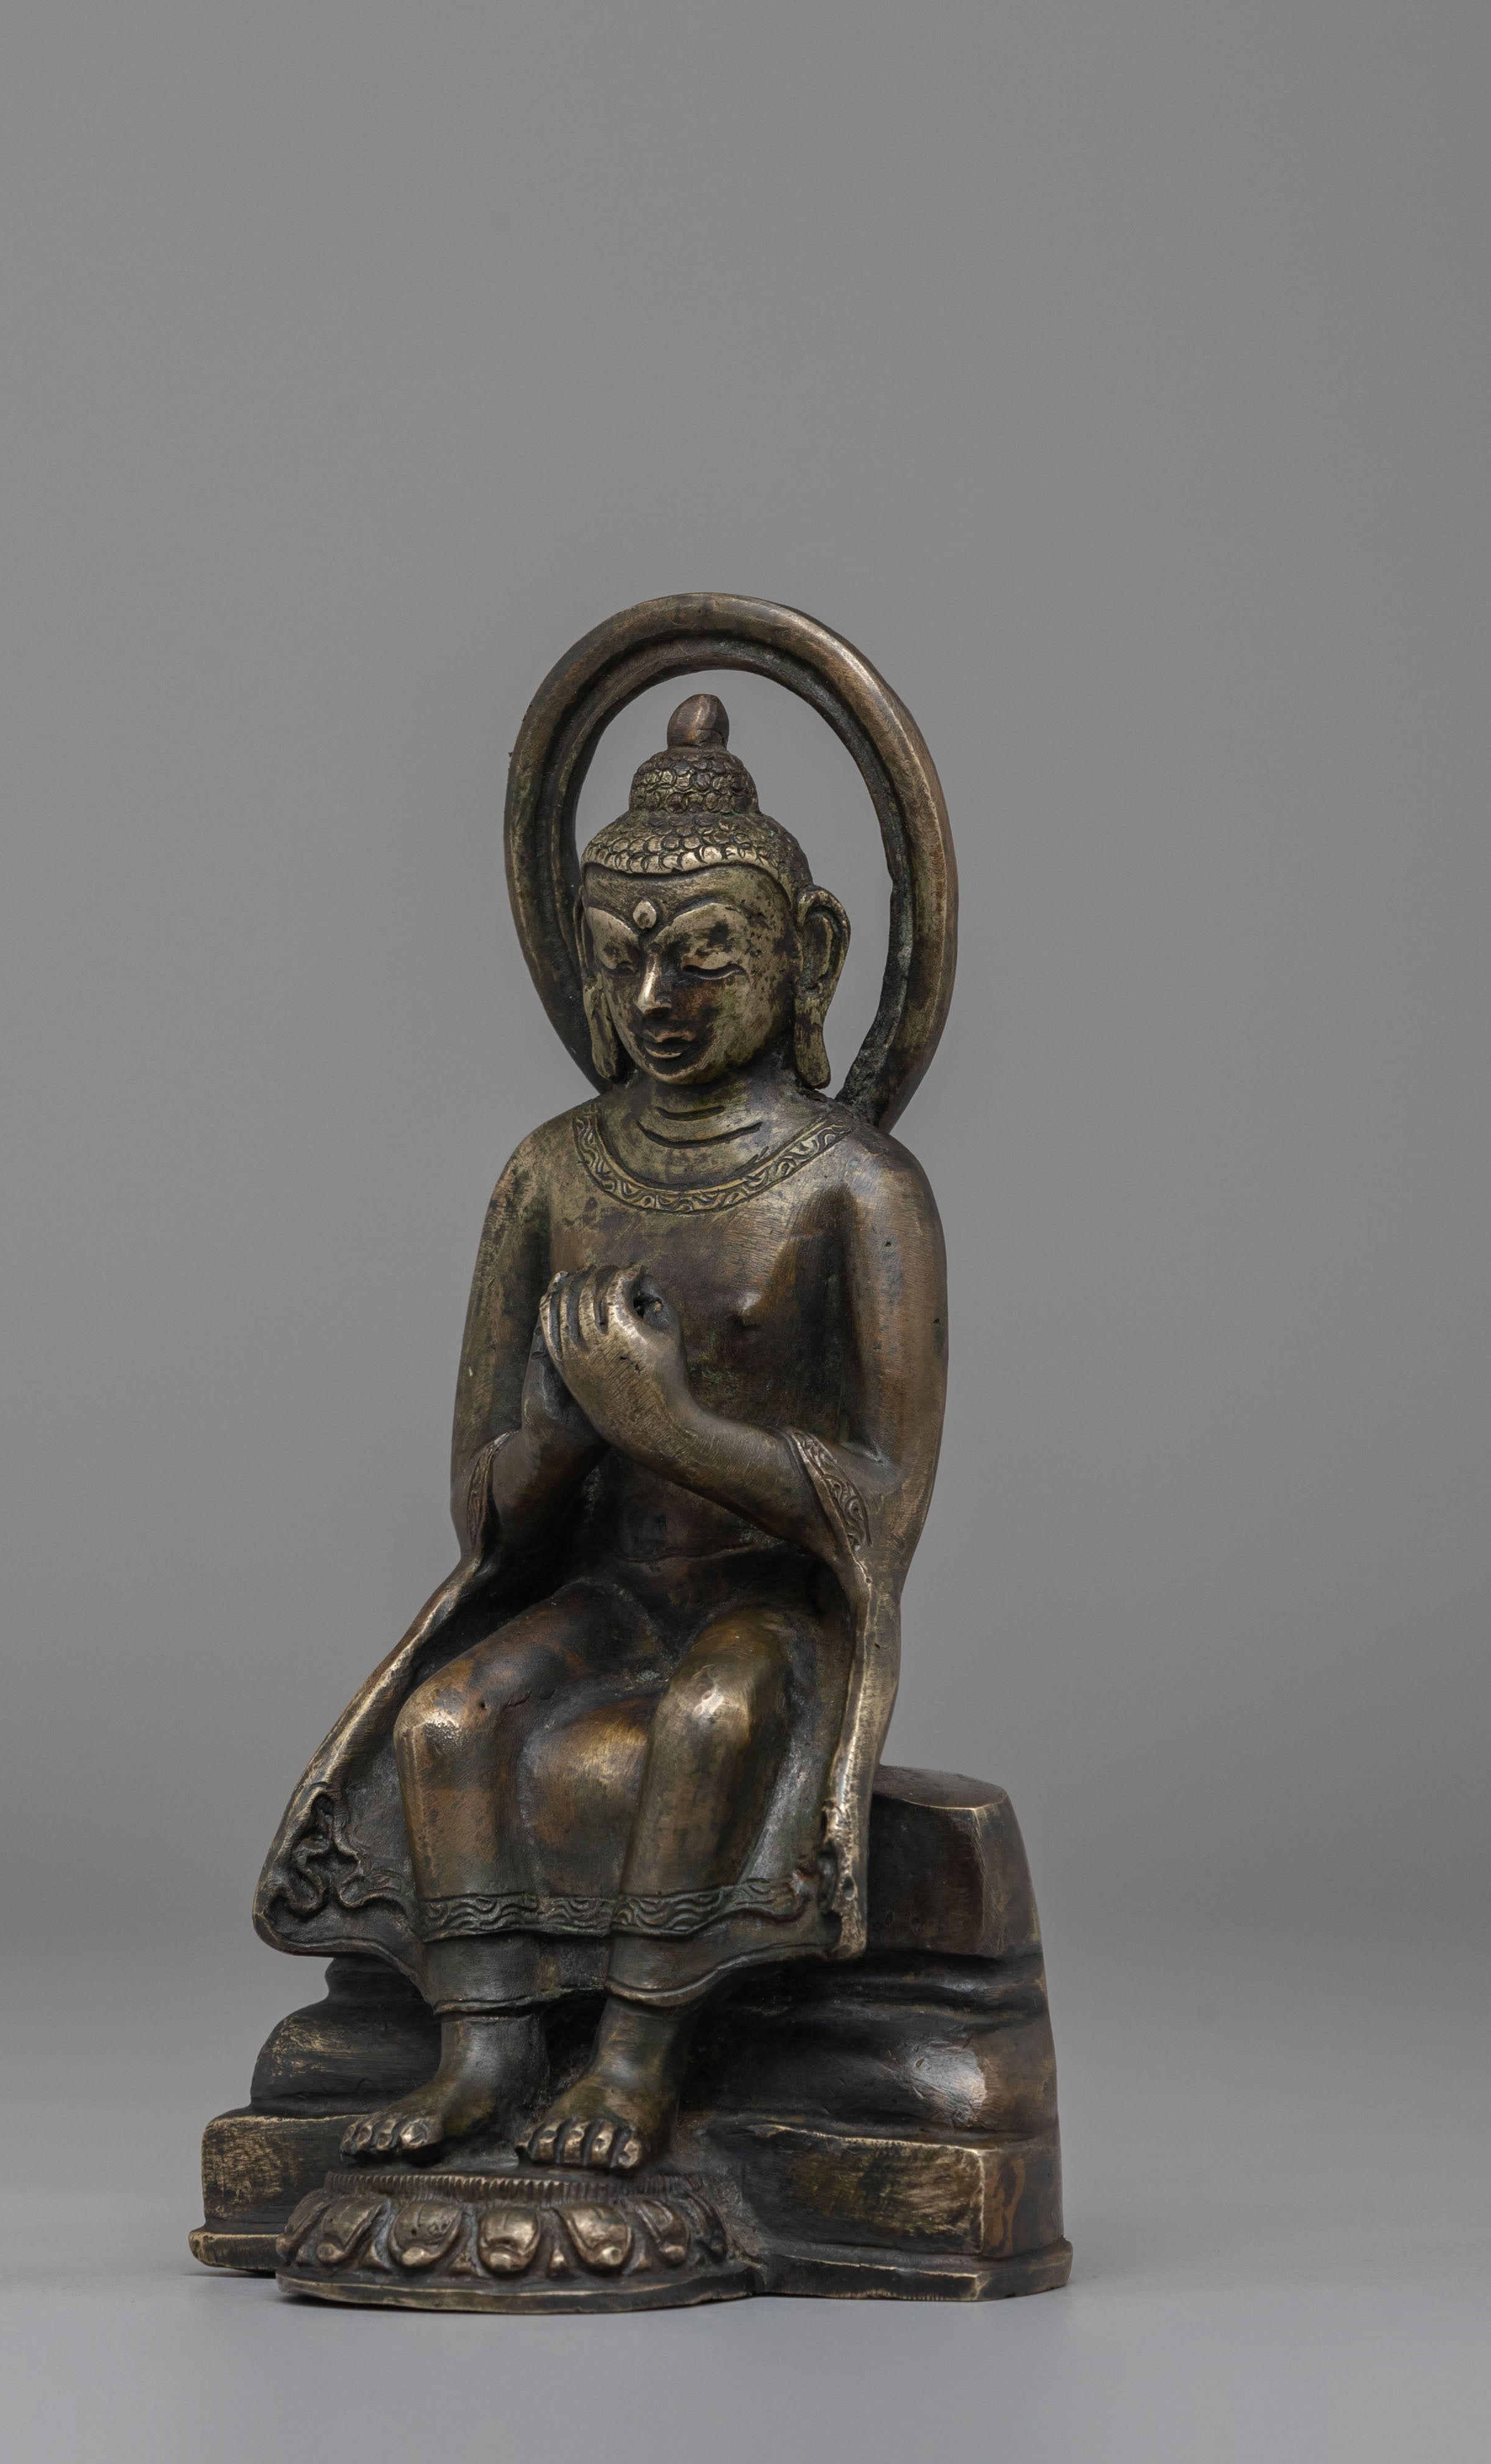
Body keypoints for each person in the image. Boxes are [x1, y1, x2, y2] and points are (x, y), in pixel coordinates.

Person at [256, 694, 946, 2174]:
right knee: (448, 1716)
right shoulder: (551, 1173)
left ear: (810, 954)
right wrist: (570, 1437)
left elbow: (883, 1508)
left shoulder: (855, 1187)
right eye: (621, 953)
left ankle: (637, 2057)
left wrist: (673, 1426)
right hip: (607, 1589)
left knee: (709, 1716)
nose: (656, 994)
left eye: (704, 950)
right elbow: (483, 1507)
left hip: (769, 1599)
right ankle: (485, 2044)